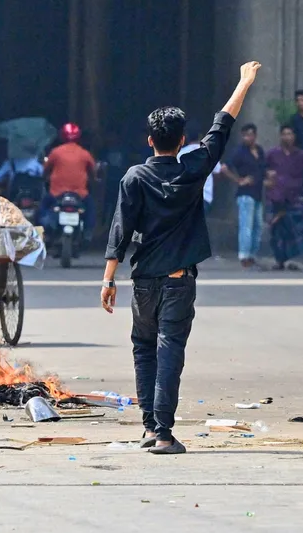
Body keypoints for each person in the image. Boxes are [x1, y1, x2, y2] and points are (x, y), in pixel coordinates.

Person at [102, 61, 260, 455]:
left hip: (143, 283)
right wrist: (243, 82)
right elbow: (222, 126)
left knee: (143, 348)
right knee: (169, 349)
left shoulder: (134, 177)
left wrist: (107, 280)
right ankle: (164, 433)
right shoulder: (194, 167)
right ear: (182, 139)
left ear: (150, 140)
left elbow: (120, 230)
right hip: (178, 280)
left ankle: (150, 429)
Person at [222, 124, 267, 268]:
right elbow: (224, 167)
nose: (248, 137)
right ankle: (244, 256)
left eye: (250, 134)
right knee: (246, 226)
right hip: (245, 194)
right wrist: (238, 180)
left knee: (257, 225)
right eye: (245, 135)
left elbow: (263, 169)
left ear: (255, 135)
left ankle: (252, 255)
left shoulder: (259, 150)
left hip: (258, 192)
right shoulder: (239, 152)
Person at [42, 123, 96, 239]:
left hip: (57, 192)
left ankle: (44, 231)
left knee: (43, 207)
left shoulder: (55, 152)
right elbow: (93, 171)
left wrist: (44, 177)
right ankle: (87, 231)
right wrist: (94, 179)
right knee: (90, 207)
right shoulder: (84, 153)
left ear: (62, 136)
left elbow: (46, 169)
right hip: (79, 194)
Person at [265, 125, 303, 270]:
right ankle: (279, 260)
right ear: (280, 136)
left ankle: (294, 260)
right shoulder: (273, 154)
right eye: (285, 134)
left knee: (295, 230)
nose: (287, 137)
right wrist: (267, 177)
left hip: (295, 198)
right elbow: (263, 169)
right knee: (276, 231)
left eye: (290, 134)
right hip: (276, 197)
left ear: (294, 136)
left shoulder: (300, 155)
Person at [177, 129, 222, 212]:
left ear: (186, 137)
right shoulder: (209, 152)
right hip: (205, 197)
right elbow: (218, 173)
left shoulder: (181, 154)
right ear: (201, 137)